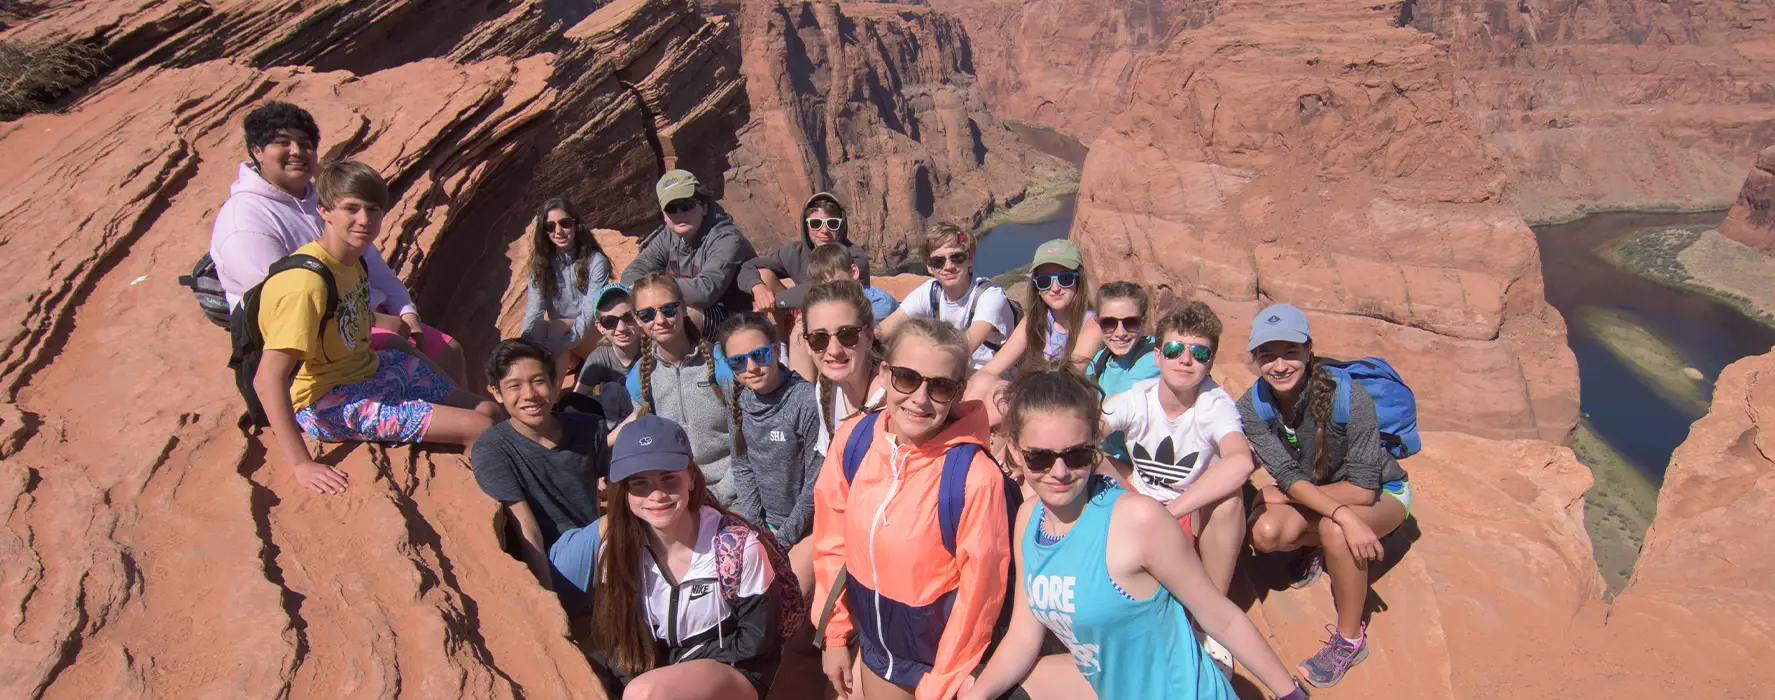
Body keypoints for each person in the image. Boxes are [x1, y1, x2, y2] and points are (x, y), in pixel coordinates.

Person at [962, 367, 1308, 700]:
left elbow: (1221, 616)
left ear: (1094, 448)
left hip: (1174, 692)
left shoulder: (1136, 520)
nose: (1060, 472)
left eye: (1077, 454)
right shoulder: (1029, 519)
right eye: (1039, 458)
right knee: (977, 687)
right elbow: (1024, 637)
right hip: (1107, 683)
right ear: (1015, 453)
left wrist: (1290, 694)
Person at [251, 160, 496, 495]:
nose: (364, 220)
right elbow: (267, 378)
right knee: (479, 427)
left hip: (369, 372)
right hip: (327, 400)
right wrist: (301, 463)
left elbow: (348, 318)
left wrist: (398, 332)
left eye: (373, 209)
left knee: (490, 410)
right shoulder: (306, 284)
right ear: (324, 210)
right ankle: (494, 504)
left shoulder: (353, 260)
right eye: (351, 208)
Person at [812, 317, 1012, 700]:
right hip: (876, 644)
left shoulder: (974, 477)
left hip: (939, 661)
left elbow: (979, 594)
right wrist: (835, 633)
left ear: (958, 393)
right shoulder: (854, 441)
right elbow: (831, 541)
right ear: (885, 374)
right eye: (907, 378)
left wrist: (941, 684)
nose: (920, 398)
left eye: (940, 387)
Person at [209, 101, 467, 385]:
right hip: (313, 336)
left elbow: (373, 264)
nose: (296, 151)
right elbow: (277, 301)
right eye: (282, 143)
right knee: (413, 367)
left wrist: (407, 313)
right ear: (257, 151)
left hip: (364, 314)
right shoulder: (245, 219)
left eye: (305, 144)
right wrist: (374, 322)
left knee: (448, 352)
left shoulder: (324, 199)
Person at [548, 415, 783, 699]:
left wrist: (677, 664)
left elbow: (756, 642)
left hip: (735, 669)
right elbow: (621, 638)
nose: (656, 495)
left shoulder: (736, 547)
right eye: (640, 483)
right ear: (623, 492)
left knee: (646, 693)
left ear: (692, 479)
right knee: (571, 678)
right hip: (659, 664)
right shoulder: (617, 552)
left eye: (669, 479)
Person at [1240, 303, 1411, 689]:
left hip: (1385, 493)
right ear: (1255, 359)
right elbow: (1286, 475)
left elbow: (1364, 491)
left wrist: (1314, 505)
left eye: (1290, 353)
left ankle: (1351, 641)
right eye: (1267, 355)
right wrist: (1292, 493)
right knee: (1264, 531)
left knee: (1336, 530)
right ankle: (1323, 546)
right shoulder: (1252, 406)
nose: (1279, 365)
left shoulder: (1350, 397)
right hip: (1329, 497)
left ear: (1308, 351)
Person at [1098, 301, 1254, 671]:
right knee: (1083, 457)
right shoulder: (1139, 398)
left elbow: (1240, 460)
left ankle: (1211, 622)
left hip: (1185, 511)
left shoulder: (1215, 404)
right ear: (1158, 355)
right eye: (1174, 350)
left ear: (1210, 361)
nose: (1185, 360)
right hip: (1136, 502)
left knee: (1230, 500)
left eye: (1199, 353)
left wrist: (1169, 514)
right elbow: (1090, 429)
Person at [472, 338, 608, 588]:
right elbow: (527, 529)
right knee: (619, 522)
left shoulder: (590, 428)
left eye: (538, 382)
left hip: (595, 545)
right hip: (554, 563)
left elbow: (609, 488)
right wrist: (549, 597)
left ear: (555, 383)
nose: (530, 395)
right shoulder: (493, 449)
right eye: (514, 386)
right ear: (496, 393)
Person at [719, 312, 823, 600]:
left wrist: (781, 539)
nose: (751, 367)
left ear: (777, 350)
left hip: (805, 528)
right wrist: (757, 527)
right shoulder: (740, 400)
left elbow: (815, 483)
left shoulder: (804, 401)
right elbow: (742, 467)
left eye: (760, 354)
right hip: (764, 523)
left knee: (782, 601)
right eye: (738, 361)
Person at [624, 271, 739, 506]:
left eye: (668, 309)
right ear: (637, 320)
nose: (660, 320)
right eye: (647, 314)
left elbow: (745, 441)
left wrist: (718, 497)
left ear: (684, 308)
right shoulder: (638, 378)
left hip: (733, 493)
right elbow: (650, 451)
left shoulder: (722, 364)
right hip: (675, 498)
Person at [620, 169, 758, 334]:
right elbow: (633, 272)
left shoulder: (726, 238)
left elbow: (704, 292)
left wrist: (654, 287)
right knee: (633, 316)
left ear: (703, 206)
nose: (680, 214)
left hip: (740, 321)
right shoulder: (668, 235)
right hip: (696, 311)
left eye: (686, 206)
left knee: (682, 315)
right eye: (672, 208)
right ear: (664, 215)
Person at [879, 223, 1015, 371]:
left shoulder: (990, 296)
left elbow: (962, 350)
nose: (949, 266)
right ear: (929, 267)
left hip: (989, 376)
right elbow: (885, 328)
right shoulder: (930, 291)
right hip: (950, 374)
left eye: (957, 257)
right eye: (938, 261)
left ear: (969, 259)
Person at [787, 280, 886, 452]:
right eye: (819, 338)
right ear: (808, 346)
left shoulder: (893, 398)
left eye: (847, 335)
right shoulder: (825, 392)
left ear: (869, 337)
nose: (834, 350)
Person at [521, 197, 614, 380]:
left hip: (592, 337)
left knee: (556, 327)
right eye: (550, 226)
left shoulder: (595, 261)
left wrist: (562, 343)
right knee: (538, 328)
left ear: (575, 224)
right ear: (544, 231)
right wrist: (523, 347)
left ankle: (551, 402)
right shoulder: (541, 266)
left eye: (564, 223)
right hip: (566, 344)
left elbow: (589, 313)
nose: (558, 231)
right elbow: (534, 311)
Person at [978, 239, 1098, 380]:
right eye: (1044, 281)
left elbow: (1069, 381)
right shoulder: (1034, 320)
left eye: (1065, 278)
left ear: (1079, 281)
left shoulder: (1092, 324)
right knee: (982, 383)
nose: (1055, 288)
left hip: (1069, 397)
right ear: (1037, 288)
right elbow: (990, 370)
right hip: (1036, 395)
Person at [739, 192, 873, 311]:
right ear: (806, 225)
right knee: (763, 275)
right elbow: (749, 266)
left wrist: (776, 301)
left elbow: (827, 288)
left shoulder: (854, 256)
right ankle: (781, 337)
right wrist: (758, 288)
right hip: (805, 313)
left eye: (832, 223)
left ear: (841, 226)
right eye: (816, 223)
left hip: (844, 317)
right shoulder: (795, 252)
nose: (824, 230)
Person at [1083, 282, 1161, 465]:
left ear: (1144, 320)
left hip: (1138, 468)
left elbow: (1113, 407)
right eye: (1109, 323)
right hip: (1108, 458)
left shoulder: (1155, 359)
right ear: (1097, 323)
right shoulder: (1102, 357)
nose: (1120, 333)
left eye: (1130, 322)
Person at [570, 284, 643, 422]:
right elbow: (575, 400)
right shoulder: (600, 357)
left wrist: (605, 442)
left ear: (638, 317)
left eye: (628, 317)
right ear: (600, 327)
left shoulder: (654, 350)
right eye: (610, 321)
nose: (621, 328)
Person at [806, 242, 898, 322]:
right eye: (822, 289)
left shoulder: (878, 303)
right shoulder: (826, 303)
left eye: (835, 285)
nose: (830, 292)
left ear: (854, 272)